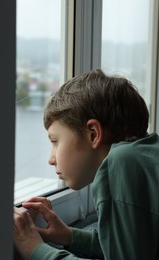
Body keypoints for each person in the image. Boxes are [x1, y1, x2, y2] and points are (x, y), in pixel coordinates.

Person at [14, 69, 159, 260]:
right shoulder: (146, 155)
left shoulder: (122, 161)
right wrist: (70, 236)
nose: (51, 159)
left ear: (93, 134)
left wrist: (35, 249)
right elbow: (131, 248)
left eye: (55, 141)